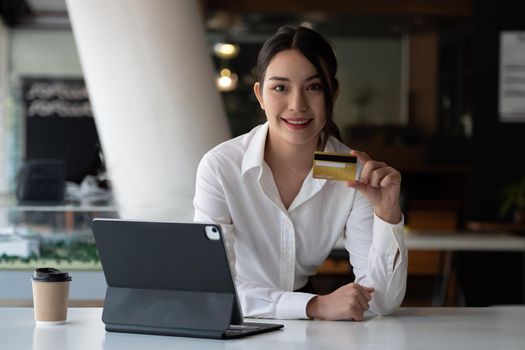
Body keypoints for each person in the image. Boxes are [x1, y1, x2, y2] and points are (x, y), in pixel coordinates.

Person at [193, 25, 407, 321]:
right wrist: (312, 305)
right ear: (260, 95)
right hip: (237, 324)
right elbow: (214, 289)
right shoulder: (222, 168)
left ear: (333, 94)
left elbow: (380, 302)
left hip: (306, 331)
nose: (297, 105)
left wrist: (387, 213)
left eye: (313, 87)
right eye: (280, 87)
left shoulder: (347, 171)